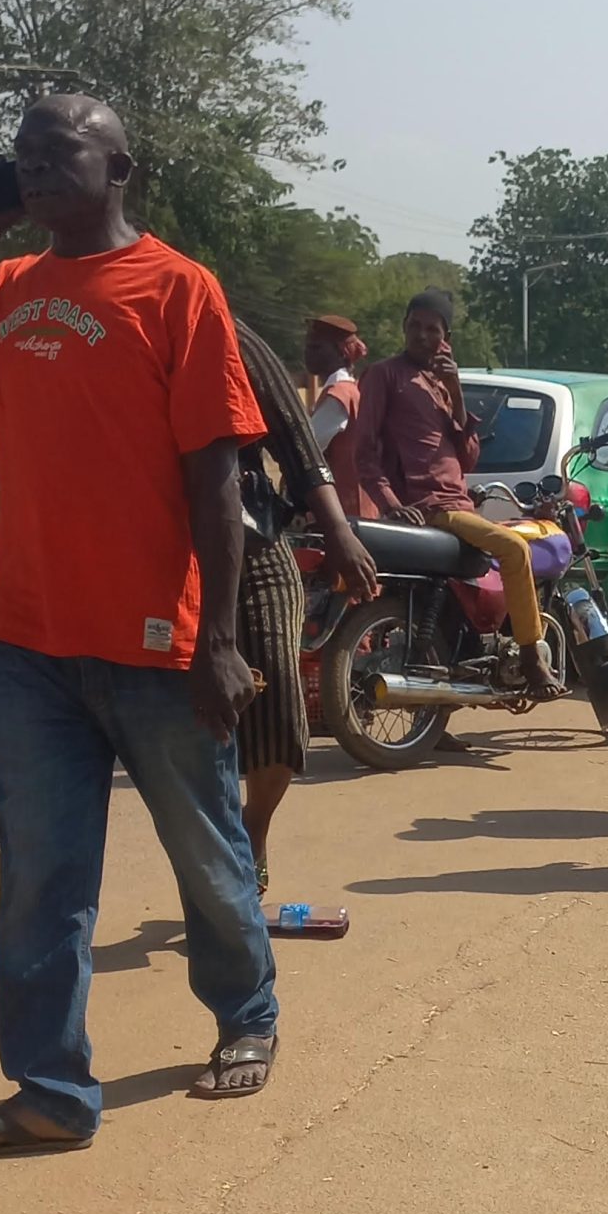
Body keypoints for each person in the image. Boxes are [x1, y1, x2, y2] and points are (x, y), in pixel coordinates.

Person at [0, 91, 281, 1151]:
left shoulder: (178, 289)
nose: (34, 167)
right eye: (23, 155)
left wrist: (219, 640)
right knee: (42, 879)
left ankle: (246, 1015)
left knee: (207, 853)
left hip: (158, 642)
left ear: (118, 168)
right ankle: (50, 1090)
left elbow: (215, 478)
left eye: (59, 151)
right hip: (33, 642)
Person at [353, 289, 562, 700]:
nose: (421, 335)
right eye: (414, 326)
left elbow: (468, 458)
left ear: (446, 338)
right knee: (515, 550)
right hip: (431, 508)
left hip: (459, 505)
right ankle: (532, 658)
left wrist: (456, 390)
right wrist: (393, 505)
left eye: (432, 329)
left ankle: (469, 671)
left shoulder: (442, 384)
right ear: (403, 328)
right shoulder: (384, 375)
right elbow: (364, 454)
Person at [230, 321, 380, 889]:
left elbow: (304, 447)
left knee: (277, 695)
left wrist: (334, 528)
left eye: (317, 346)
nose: (307, 352)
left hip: (269, 531)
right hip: (161, 550)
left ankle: (255, 827)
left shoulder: (229, 337)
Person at [303, 314, 367, 500]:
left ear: (341, 352)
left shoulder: (338, 396)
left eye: (316, 347)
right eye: (307, 346)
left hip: (343, 505)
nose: (307, 352)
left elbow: (308, 449)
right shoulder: (347, 389)